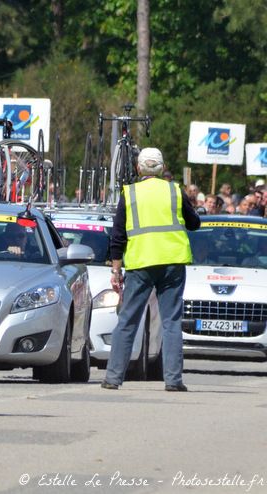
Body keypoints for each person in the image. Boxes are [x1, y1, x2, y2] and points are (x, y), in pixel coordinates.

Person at [102, 148, 200, 392]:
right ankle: (173, 380)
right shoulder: (174, 190)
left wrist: (116, 270)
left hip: (141, 264)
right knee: (171, 321)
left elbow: (118, 235)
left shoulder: (130, 193)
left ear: (138, 168)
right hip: (172, 263)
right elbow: (194, 223)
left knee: (128, 320)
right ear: (162, 167)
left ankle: (113, 378)